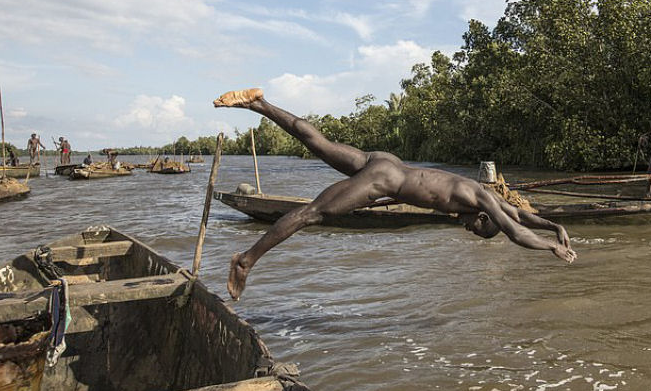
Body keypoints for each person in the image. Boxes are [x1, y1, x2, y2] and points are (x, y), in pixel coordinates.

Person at [213, 87, 577, 300]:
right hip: (384, 181)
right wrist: (551, 247)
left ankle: (258, 103)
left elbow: (518, 216)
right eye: (476, 231)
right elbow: (514, 231)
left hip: (388, 164)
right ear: (483, 218)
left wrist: (553, 226)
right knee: (311, 214)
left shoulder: (480, 194)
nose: (468, 230)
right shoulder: (480, 200)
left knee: (318, 142)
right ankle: (245, 260)